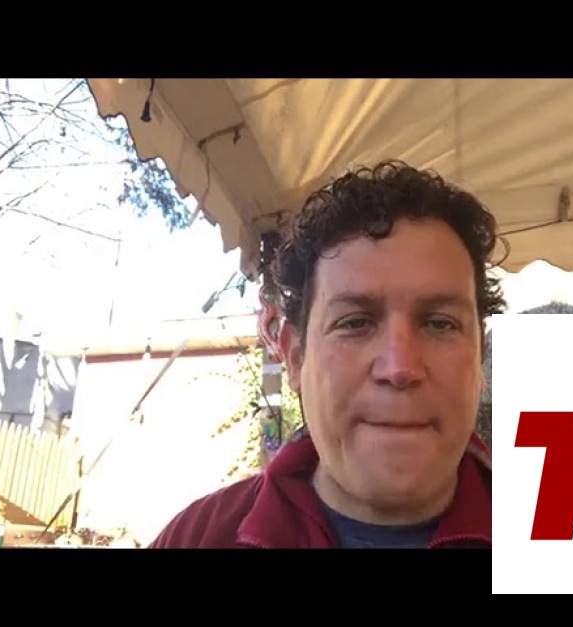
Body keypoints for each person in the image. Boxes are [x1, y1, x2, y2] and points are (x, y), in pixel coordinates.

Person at [149, 159, 505, 548]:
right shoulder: (197, 537)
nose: (400, 368)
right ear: (295, 356)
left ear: (479, 356)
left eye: (439, 324)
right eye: (355, 323)